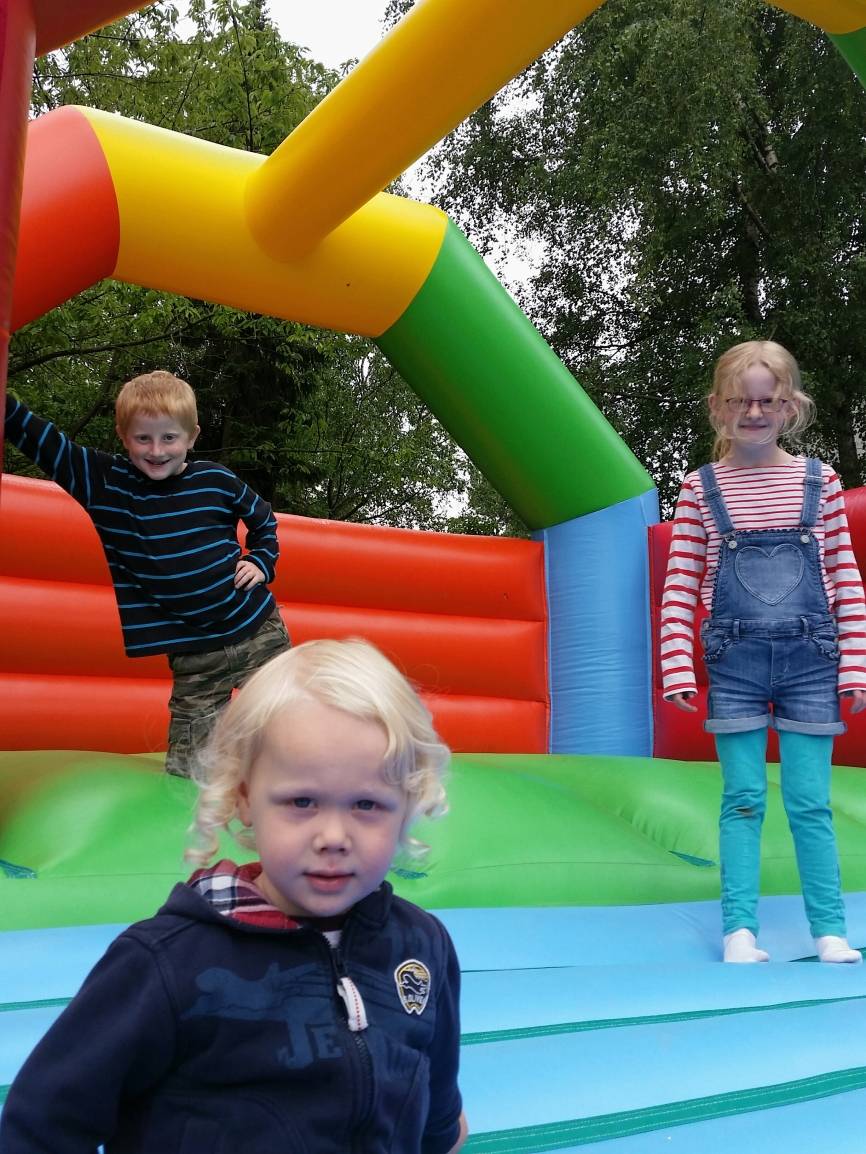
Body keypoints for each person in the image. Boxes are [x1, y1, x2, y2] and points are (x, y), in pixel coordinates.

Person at [0, 637, 469, 1154]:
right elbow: (43, 1123)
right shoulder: (169, 963)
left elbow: (437, 1110)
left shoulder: (420, 947)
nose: (333, 835)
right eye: (302, 801)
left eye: (367, 805)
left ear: (407, 806)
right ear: (244, 798)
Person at [660, 340, 866, 965]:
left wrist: (854, 664)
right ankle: (739, 931)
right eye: (740, 401)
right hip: (736, 661)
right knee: (743, 797)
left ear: (790, 407)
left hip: (811, 658)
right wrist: (676, 660)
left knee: (810, 801)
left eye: (768, 401)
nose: (754, 412)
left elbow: (844, 574)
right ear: (719, 408)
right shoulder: (701, 489)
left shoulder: (819, 480)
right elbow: (682, 579)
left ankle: (829, 928)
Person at [4, 370, 290, 775]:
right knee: (190, 765)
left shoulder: (216, 480)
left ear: (192, 436)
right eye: (143, 438)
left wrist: (260, 561)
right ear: (123, 436)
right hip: (194, 654)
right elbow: (48, 444)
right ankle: (192, 832)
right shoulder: (107, 484)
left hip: (257, 629)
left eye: (169, 437)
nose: (156, 450)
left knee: (297, 723)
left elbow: (264, 522)